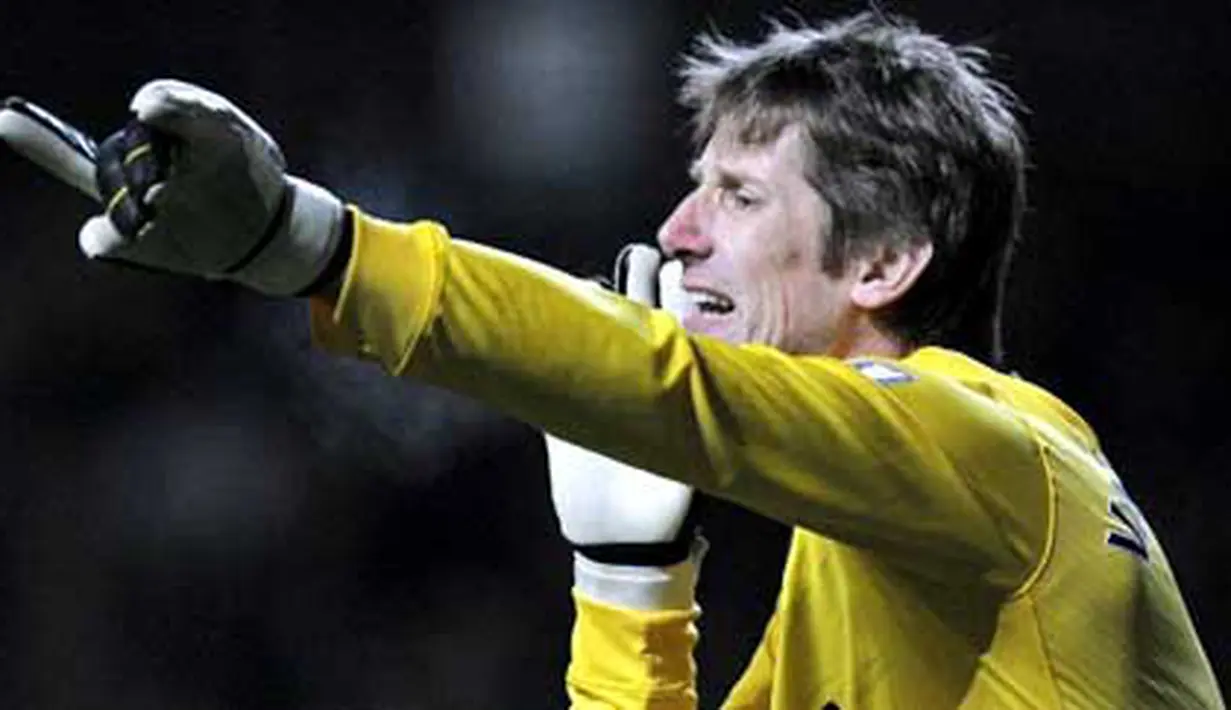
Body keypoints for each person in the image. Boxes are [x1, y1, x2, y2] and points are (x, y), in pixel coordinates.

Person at [25, 10, 1225, 710]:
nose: (675, 232)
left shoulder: (998, 454)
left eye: (739, 195)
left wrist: (309, 244)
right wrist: (628, 579)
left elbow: (660, 380)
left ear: (883, 264)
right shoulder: (871, 552)